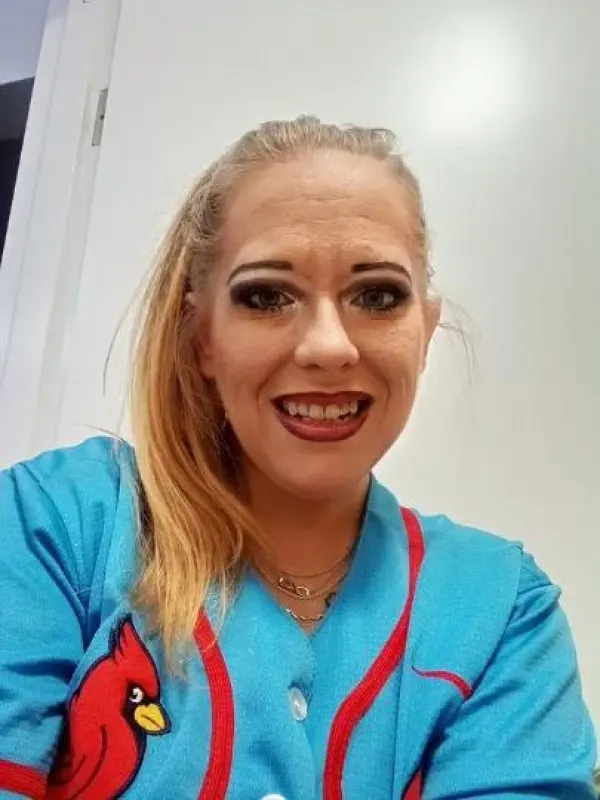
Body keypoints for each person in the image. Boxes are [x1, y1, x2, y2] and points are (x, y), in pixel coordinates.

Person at [0, 117, 596, 800]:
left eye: (378, 296)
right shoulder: (55, 524)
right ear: (201, 338)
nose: (329, 346)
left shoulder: (504, 610)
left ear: (424, 333)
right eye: (266, 296)